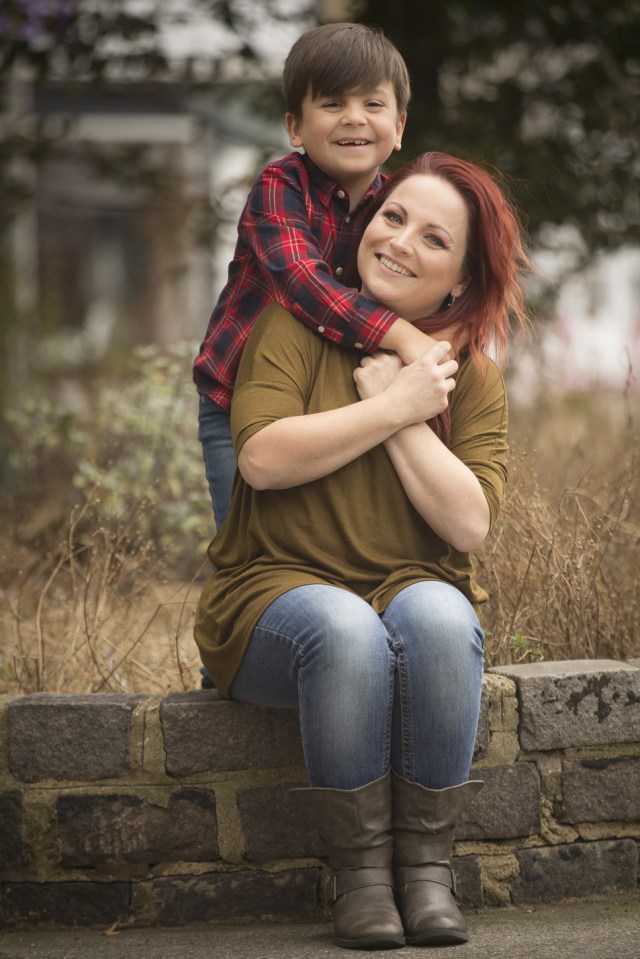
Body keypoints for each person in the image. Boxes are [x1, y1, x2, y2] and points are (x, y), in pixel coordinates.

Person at [194, 151, 530, 949]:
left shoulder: (469, 380)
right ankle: (362, 879)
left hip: (409, 591)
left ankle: (427, 876)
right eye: (393, 217)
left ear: (458, 281)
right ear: (364, 226)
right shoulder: (287, 324)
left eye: (433, 237)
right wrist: (391, 408)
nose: (401, 240)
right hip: (275, 603)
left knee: (444, 619)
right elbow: (265, 459)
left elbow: (470, 523)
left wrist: (406, 406)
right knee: (345, 628)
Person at [193, 22, 443, 531]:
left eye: (373, 105)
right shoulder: (278, 187)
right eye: (332, 104)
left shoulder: (397, 206)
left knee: (324, 537)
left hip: (334, 400)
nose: (354, 118)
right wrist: (403, 337)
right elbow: (304, 283)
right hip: (239, 399)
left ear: (398, 128)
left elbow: (427, 280)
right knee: (250, 543)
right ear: (295, 127)